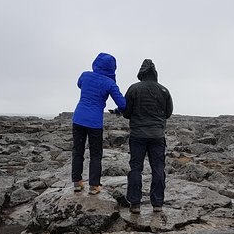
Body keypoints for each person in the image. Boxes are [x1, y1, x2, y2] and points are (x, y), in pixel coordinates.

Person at [71, 52, 126, 194]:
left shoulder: (85, 75)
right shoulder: (110, 83)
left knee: (78, 151)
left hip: (78, 119)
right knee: (95, 154)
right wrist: (119, 110)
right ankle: (94, 186)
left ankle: (77, 182)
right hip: (95, 122)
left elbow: (79, 84)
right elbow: (122, 104)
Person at [123, 59, 173, 213]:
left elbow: (126, 112)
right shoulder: (164, 90)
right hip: (157, 135)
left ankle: (135, 203)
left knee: (136, 168)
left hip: (138, 135)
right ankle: (157, 204)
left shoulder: (134, 89)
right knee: (158, 168)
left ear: (141, 72)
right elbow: (168, 113)